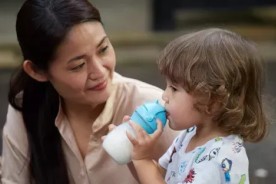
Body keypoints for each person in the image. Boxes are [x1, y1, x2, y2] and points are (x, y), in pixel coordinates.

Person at [1, 0, 177, 183]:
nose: (100, 72)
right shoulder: (28, 105)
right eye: (79, 65)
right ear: (37, 71)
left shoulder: (156, 110)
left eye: (103, 49)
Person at [124, 28, 268, 184]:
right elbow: (157, 176)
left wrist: (142, 159)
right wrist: (131, 152)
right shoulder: (189, 134)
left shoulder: (219, 159)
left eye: (174, 88)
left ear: (212, 101)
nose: (165, 95)